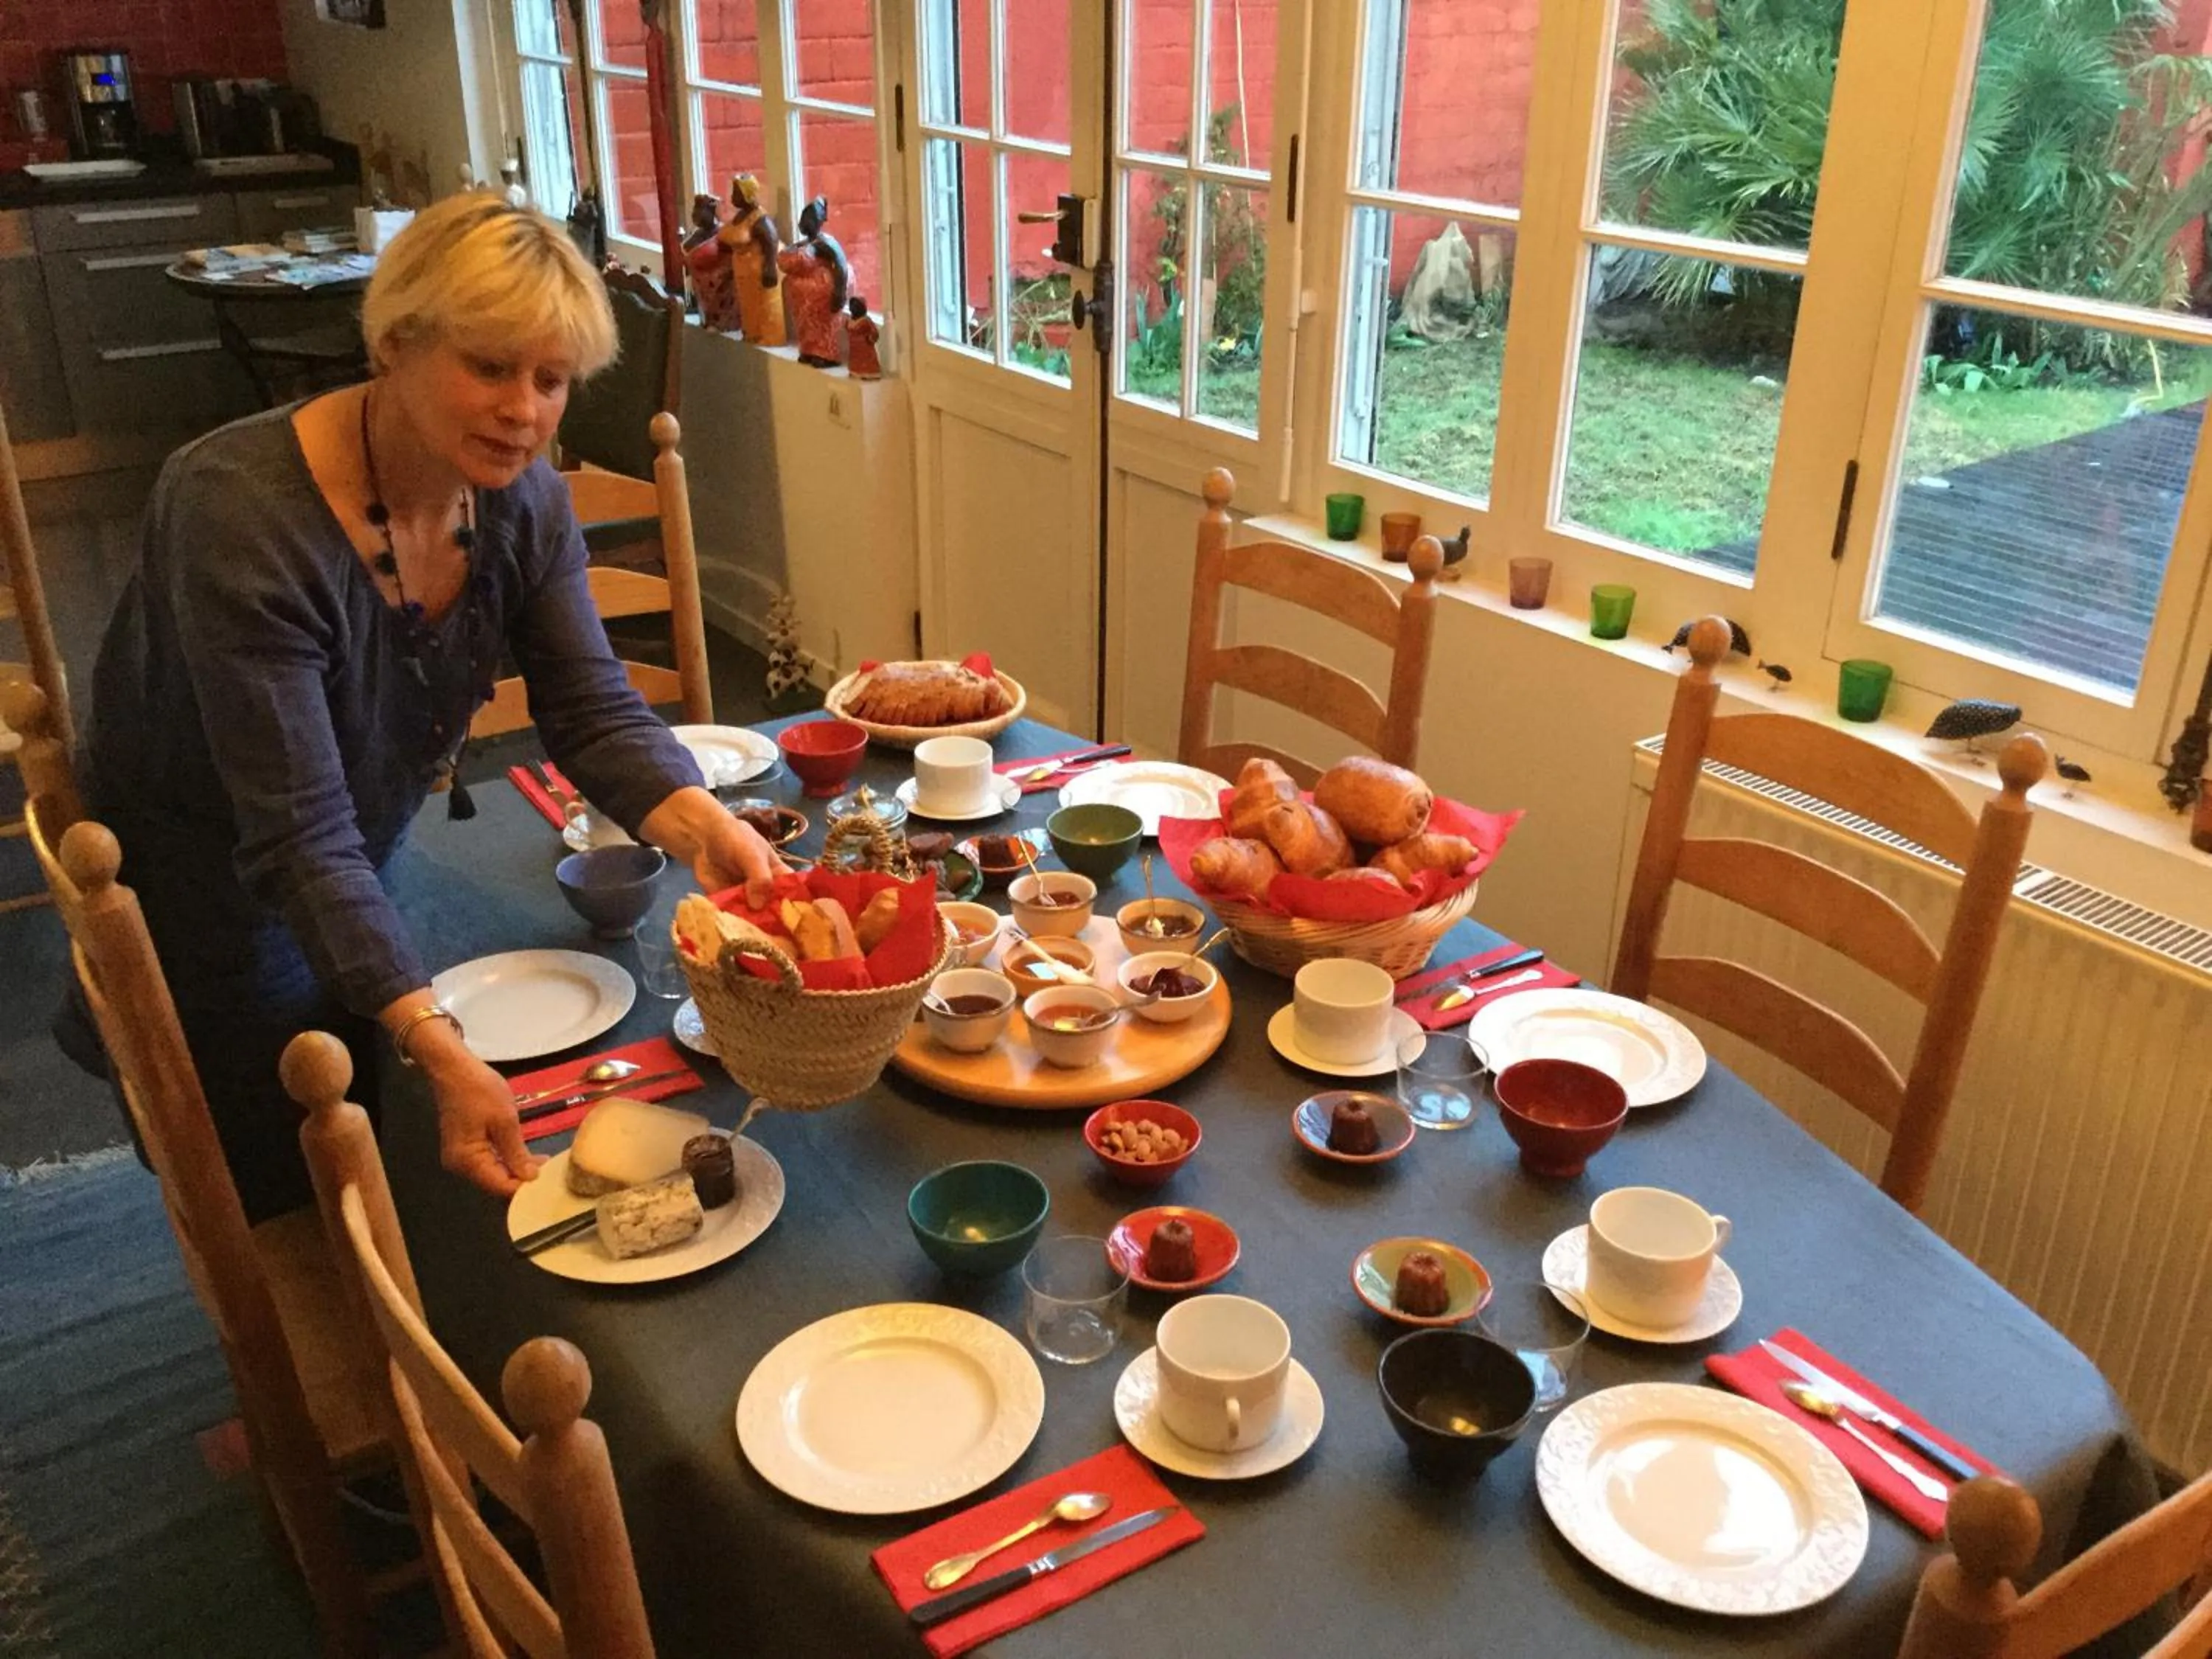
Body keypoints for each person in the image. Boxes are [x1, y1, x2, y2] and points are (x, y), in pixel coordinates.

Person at [70, 192, 783, 1222]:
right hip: (206, 900)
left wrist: (701, 819)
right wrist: (431, 1033)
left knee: (415, 1147)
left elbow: (589, 706)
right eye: (490, 366)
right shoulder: (238, 513)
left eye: (551, 380)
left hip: (354, 849)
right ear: (393, 342)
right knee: (299, 1197)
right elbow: (301, 836)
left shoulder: (521, 497)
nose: (525, 410)